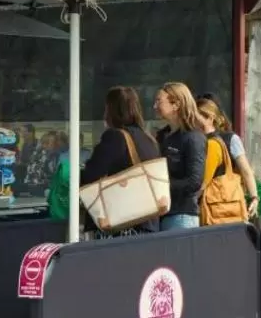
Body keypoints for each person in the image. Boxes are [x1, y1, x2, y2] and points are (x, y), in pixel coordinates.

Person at [80, 87, 162, 236]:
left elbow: (92, 173)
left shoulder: (115, 137)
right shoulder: (148, 138)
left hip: (123, 223)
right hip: (148, 220)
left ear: (110, 109)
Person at [153, 82, 206, 230]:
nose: (155, 106)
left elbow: (195, 181)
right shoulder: (163, 136)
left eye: (159, 101)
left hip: (182, 215)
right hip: (163, 214)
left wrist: (163, 186)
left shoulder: (193, 137)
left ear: (176, 104)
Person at [196, 98, 260, 218]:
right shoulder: (195, 139)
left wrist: (254, 197)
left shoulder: (229, 139)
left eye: (196, 117)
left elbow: (246, 170)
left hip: (220, 201)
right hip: (213, 202)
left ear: (210, 117)